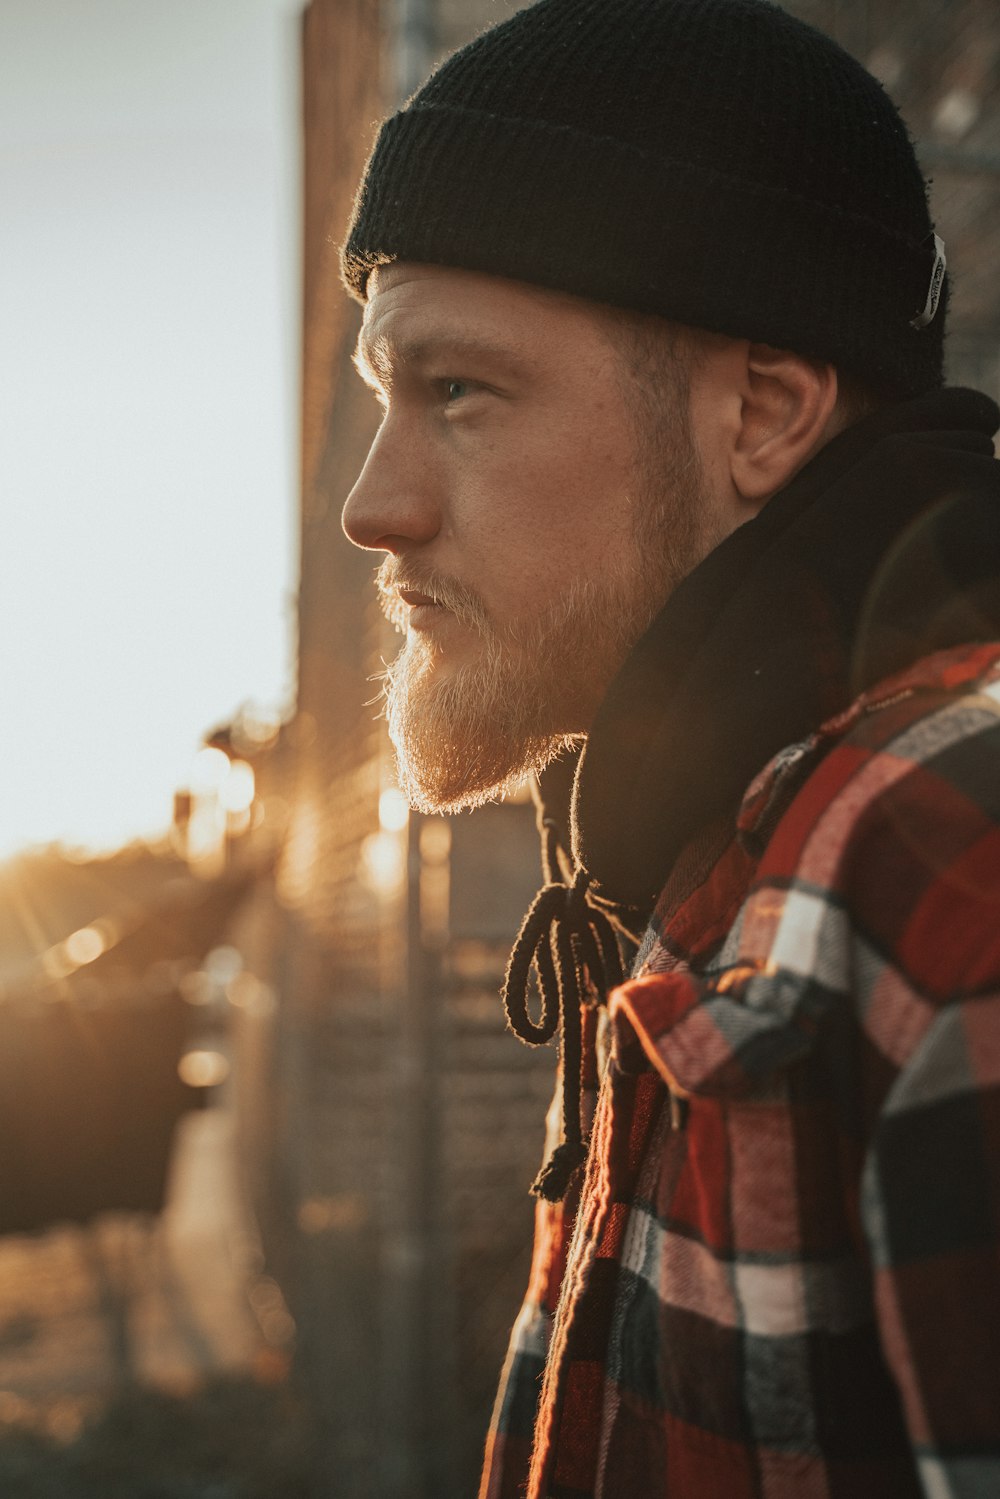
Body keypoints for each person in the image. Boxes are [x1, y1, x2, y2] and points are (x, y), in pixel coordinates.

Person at [339, 0, 1000, 1493]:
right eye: (389, 396)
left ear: (761, 412)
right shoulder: (716, 834)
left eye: (459, 392)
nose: (370, 507)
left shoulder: (947, 846)